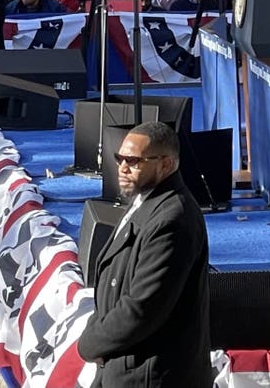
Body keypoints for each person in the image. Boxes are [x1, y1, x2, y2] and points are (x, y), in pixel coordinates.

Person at [77, 121, 212, 388]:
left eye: (134, 161)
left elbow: (142, 308)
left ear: (166, 164)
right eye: (120, 158)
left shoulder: (172, 220)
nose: (122, 167)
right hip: (127, 366)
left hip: (150, 376)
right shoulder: (145, 201)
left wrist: (90, 344)